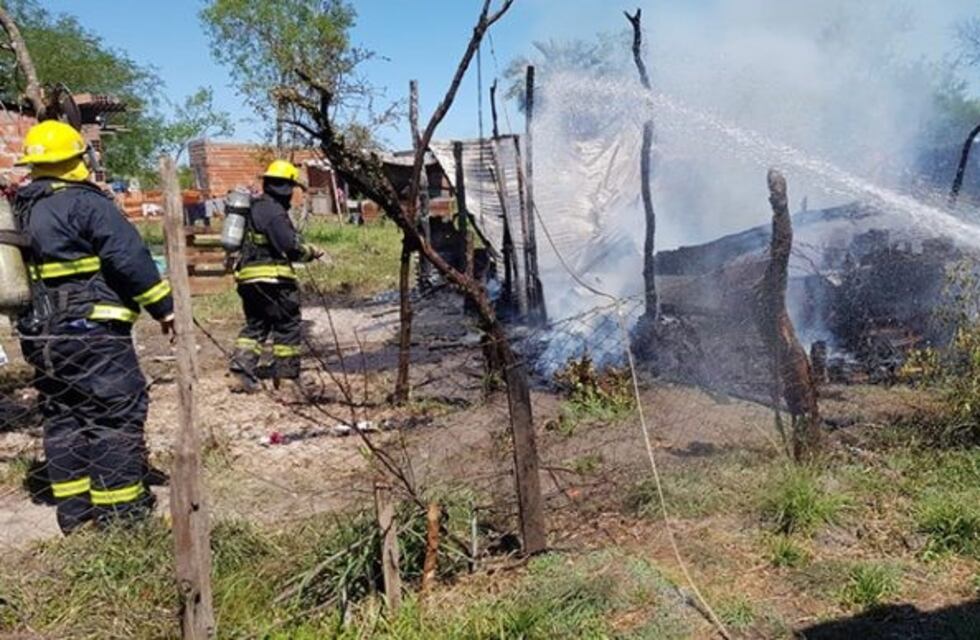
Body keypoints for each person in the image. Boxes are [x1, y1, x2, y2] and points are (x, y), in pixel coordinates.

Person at [13, 120, 174, 533]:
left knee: (64, 414)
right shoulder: (86, 204)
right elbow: (129, 258)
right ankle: (121, 518)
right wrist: (164, 308)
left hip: (41, 335)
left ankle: (76, 516)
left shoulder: (22, 208)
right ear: (76, 160)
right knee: (114, 414)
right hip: (93, 332)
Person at [229, 160, 320, 392]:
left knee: (256, 326)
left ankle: (240, 374)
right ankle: (288, 379)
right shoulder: (274, 212)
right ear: (288, 187)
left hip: (248, 279)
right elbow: (289, 246)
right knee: (287, 325)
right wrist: (311, 252)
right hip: (274, 280)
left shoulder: (254, 206)